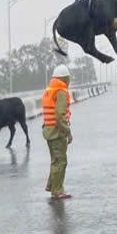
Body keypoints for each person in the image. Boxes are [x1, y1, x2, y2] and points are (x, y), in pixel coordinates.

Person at [43, 64, 73, 200]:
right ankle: (57, 191)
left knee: (55, 160)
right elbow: (60, 115)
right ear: (65, 79)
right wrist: (68, 132)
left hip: (49, 131)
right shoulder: (61, 91)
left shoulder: (50, 89)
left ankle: (51, 185)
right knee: (61, 161)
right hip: (57, 132)